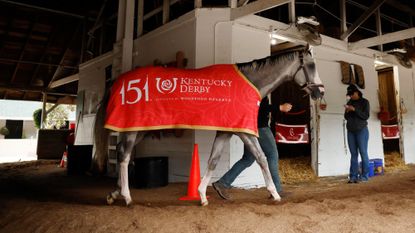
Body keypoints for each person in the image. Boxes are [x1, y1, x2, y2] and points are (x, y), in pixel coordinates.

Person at [212, 96, 292, 200]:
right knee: (272, 155)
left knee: (248, 159)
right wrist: (279, 107)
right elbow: (260, 107)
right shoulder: (260, 86)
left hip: (251, 127)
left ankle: (223, 183)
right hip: (260, 127)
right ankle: (276, 190)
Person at [344, 84, 370, 183]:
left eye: (352, 94)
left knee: (363, 153)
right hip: (351, 130)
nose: (350, 96)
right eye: (349, 95)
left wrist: (354, 110)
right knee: (353, 154)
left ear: (357, 92)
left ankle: (364, 176)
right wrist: (347, 111)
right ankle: (353, 176)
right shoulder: (350, 102)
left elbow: (365, 116)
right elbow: (346, 117)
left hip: (361, 130)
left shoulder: (365, 102)